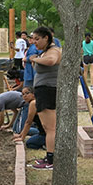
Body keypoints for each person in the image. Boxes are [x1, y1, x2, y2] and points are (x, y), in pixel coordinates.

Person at [29, 26, 61, 169]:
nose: (34, 42)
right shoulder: (46, 51)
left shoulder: (53, 50)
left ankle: (51, 160)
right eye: (33, 39)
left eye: (37, 39)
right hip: (44, 91)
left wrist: (35, 59)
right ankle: (49, 157)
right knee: (48, 128)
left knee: (50, 128)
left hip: (48, 92)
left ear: (46, 38)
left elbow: (51, 61)